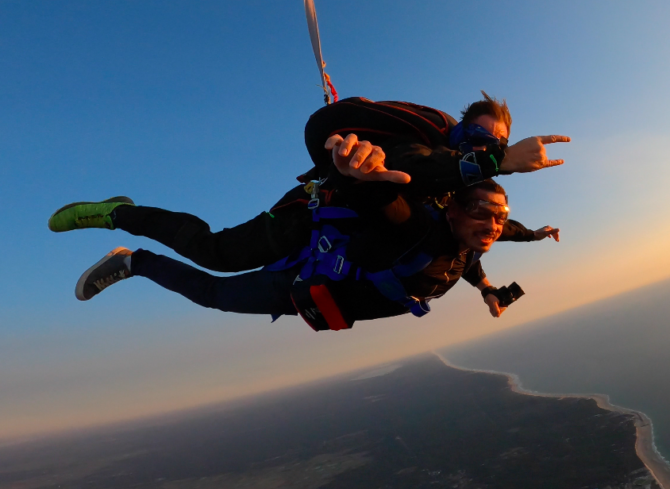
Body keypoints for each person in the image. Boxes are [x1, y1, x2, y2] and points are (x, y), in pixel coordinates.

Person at [49, 93, 566, 311]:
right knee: (216, 254)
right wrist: (496, 161)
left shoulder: (460, 194)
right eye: (476, 134)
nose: (481, 146)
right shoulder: (433, 147)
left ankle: (136, 264)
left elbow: (479, 230)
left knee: (217, 295)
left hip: (336, 270)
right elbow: (408, 169)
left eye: (491, 143)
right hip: (317, 214)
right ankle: (121, 214)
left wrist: (529, 240)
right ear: (459, 128)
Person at [75, 178, 516, 329]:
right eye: (484, 213)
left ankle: (135, 244)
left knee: (214, 283)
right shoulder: (418, 228)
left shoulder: (465, 246)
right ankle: (134, 260)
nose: (493, 225)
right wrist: (364, 174)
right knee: (213, 290)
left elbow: (471, 260)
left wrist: (487, 290)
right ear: (453, 208)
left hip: (323, 304)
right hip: (297, 288)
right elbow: (388, 204)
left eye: (500, 218)